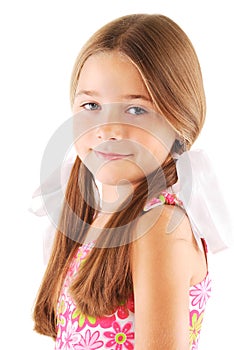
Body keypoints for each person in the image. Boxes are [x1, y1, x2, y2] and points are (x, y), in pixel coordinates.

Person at [32, 13, 230, 349]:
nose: (107, 129)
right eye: (91, 105)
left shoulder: (157, 227)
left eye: (136, 110)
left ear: (179, 120)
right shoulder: (93, 215)